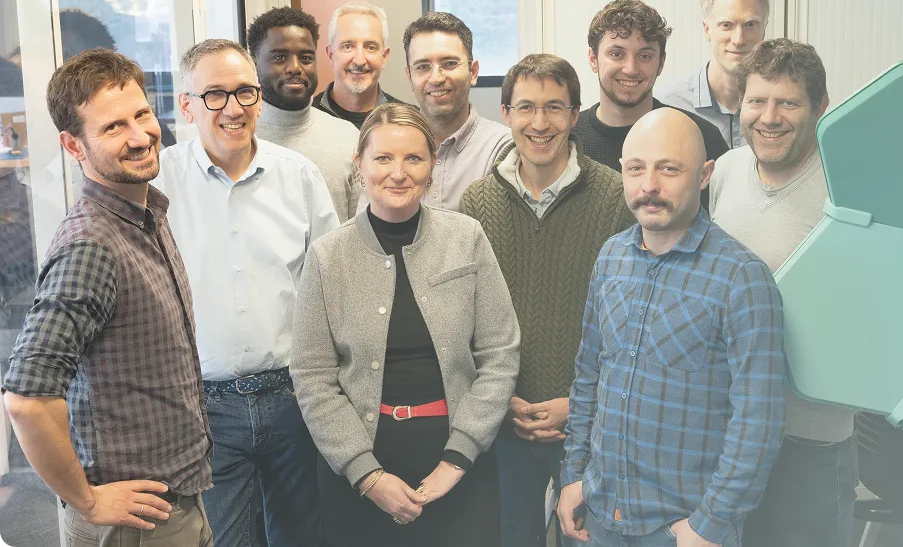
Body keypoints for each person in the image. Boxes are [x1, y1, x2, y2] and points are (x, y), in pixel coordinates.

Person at [2, 48, 213, 546]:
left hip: (175, 500)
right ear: (74, 146)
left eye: (141, 114)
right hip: (134, 524)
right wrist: (88, 501)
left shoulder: (145, 214)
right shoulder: (91, 246)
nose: (141, 136)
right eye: (113, 127)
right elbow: (27, 399)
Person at [292, 102, 520, 546]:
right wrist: (367, 474)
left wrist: (458, 458)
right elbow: (312, 376)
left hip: (457, 461)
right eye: (383, 158)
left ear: (432, 166)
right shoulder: (326, 257)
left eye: (414, 158)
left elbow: (501, 353)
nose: (398, 172)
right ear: (359, 166)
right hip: (359, 470)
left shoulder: (466, 237)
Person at [558, 107, 785, 547]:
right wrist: (573, 474)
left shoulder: (742, 278)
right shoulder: (611, 258)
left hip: (681, 531)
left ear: (704, 175)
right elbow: (588, 377)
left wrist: (712, 523)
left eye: (669, 169)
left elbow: (758, 420)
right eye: (636, 169)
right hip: (599, 516)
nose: (649, 187)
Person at [153, 39, 339, 546]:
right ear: (186, 105)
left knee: (302, 537)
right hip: (204, 406)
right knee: (229, 539)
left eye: (244, 92)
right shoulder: (157, 184)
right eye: (214, 94)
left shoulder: (299, 176)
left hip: (293, 399)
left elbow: (330, 289)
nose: (233, 109)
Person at [460, 54, 634, 547]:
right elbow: (464, 320)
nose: (540, 123)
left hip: (588, 421)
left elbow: (626, 325)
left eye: (554, 108)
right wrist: (498, 399)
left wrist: (579, 406)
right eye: (526, 108)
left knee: (589, 537)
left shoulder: (616, 197)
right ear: (505, 111)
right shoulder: (476, 204)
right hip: (504, 418)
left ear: (575, 114)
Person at [709, 39, 857, 547]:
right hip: (727, 432)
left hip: (810, 437)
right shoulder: (725, 171)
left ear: (820, 107)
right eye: (757, 101)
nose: (769, 117)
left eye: (788, 103)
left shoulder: (849, 185)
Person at [571, 0, 727, 209]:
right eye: (617, 54)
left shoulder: (701, 136)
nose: (631, 68)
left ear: (661, 63)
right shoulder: (568, 139)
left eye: (644, 56)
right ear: (593, 59)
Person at [361, 11, 510, 213]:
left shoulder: (502, 148)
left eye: (449, 63)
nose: (436, 78)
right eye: (422, 66)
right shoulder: (383, 147)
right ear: (410, 76)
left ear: (473, 72)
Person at [249, 7, 362, 222]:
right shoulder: (240, 139)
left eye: (306, 57)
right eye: (280, 57)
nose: (295, 67)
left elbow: (360, 232)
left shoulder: (347, 138)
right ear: (254, 64)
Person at [658, 0, 771, 148]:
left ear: (763, 30)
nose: (738, 39)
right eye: (727, 25)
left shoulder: (778, 107)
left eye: (750, 25)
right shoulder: (667, 106)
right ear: (707, 30)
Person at [312, 2, 404, 128]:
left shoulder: (407, 121)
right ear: (331, 55)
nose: (359, 61)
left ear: (384, 57)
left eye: (371, 47)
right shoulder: (308, 118)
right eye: (348, 46)